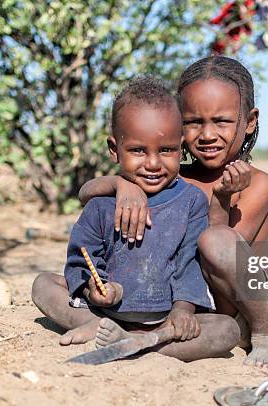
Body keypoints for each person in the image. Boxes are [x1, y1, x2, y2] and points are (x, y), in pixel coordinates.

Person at [78, 56, 268, 368]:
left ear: (250, 120)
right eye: (193, 122)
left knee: (214, 242)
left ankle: (266, 335)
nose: (207, 134)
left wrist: (221, 199)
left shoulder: (257, 185)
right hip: (177, 305)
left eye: (222, 121)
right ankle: (138, 339)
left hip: (237, 306)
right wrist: (121, 184)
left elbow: (214, 258)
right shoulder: (168, 175)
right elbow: (85, 194)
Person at [31, 76, 240, 362]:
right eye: (138, 150)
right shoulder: (101, 204)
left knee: (226, 331)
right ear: (115, 149)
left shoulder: (191, 201)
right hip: (104, 311)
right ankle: (98, 325)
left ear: (181, 148)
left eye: (166, 150)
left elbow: (189, 263)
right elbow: (83, 256)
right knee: (43, 285)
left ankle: (136, 341)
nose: (153, 163)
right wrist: (95, 288)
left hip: (164, 319)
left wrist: (183, 310)